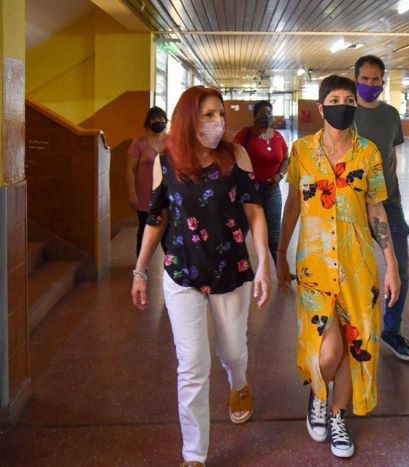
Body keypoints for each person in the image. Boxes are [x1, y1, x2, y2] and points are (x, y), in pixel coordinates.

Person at [130, 86, 271, 467]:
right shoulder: (166, 160)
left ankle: (239, 384)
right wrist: (140, 270)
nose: (217, 122)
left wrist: (264, 261)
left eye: (220, 114)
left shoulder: (235, 155)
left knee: (233, 352)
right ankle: (194, 455)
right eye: (208, 115)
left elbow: (254, 209)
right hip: (182, 271)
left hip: (230, 269)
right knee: (192, 364)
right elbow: (157, 217)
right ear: (189, 118)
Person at [277, 75, 400, 459]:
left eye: (348, 100)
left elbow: (376, 208)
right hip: (314, 265)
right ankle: (318, 392)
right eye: (334, 100)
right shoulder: (301, 151)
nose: (342, 106)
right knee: (327, 350)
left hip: (358, 265)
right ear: (320, 107)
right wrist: (280, 251)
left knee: (353, 343)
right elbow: (294, 203)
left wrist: (392, 265)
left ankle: (337, 414)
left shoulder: (368, 153)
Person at [353, 55, 409, 362]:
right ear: (355, 80)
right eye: (364, 79)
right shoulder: (346, 113)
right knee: (355, 270)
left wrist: (391, 188)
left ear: (383, 81)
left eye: (375, 79)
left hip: (389, 202)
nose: (370, 84)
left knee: (399, 268)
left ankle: (392, 329)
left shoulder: (391, 114)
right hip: (353, 204)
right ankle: (356, 330)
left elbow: (391, 154)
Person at [233, 100, 289, 264]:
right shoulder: (245, 135)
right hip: (248, 193)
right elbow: (232, 157)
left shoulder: (278, 137)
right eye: (262, 114)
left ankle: (281, 269)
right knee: (239, 232)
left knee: (275, 236)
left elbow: (286, 159)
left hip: (271, 191)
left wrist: (279, 175)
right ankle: (236, 267)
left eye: (269, 113)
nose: (266, 116)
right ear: (254, 116)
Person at [127, 106, 168, 257]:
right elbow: (130, 169)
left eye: (161, 119)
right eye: (155, 119)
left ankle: (172, 264)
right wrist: (132, 193)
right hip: (145, 195)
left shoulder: (171, 142)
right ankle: (141, 264)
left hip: (167, 194)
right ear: (148, 122)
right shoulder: (139, 142)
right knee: (145, 228)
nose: (158, 122)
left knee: (168, 231)